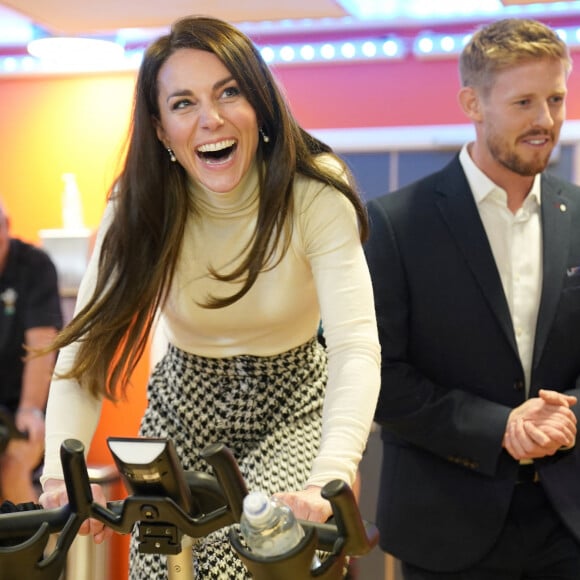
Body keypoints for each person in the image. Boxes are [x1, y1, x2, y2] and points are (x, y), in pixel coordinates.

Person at [38, 15, 380, 579]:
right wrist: (58, 475)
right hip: (183, 399)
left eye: (230, 92)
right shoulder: (141, 204)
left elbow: (355, 345)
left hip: (291, 401)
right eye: (183, 103)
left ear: (261, 105)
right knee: (157, 565)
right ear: (159, 128)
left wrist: (329, 474)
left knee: (247, 560)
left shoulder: (313, 190)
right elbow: (86, 352)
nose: (211, 120)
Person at [364, 18, 580, 580]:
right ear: (472, 103)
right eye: (524, 102)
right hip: (446, 526)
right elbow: (375, 376)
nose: (546, 121)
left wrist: (569, 413)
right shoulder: (394, 223)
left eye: (556, 98)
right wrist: (499, 427)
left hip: (569, 522)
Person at [0, 199, 62, 504]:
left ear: (6, 227)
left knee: (12, 466)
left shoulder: (34, 266)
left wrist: (30, 409)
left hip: (33, 408)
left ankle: (34, 552)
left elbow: (41, 343)